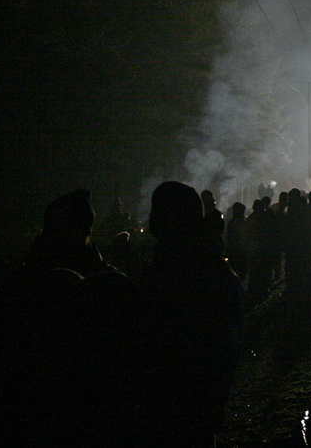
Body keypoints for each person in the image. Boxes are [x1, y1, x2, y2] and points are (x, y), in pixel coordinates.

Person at [136, 181, 244, 447]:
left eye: (156, 212)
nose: (151, 219)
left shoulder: (177, 276)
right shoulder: (213, 270)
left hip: (179, 407)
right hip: (196, 407)